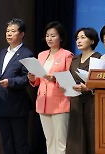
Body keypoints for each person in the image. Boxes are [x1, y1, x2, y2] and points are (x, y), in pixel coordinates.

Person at [27, 21, 73, 154]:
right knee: (49, 140)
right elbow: (38, 80)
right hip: (43, 101)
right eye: (47, 35)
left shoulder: (67, 55)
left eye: (53, 35)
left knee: (60, 142)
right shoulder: (41, 55)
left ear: (61, 38)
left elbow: (69, 80)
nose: (49, 38)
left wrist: (55, 79)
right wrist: (33, 79)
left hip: (60, 101)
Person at [0, 18, 33, 154]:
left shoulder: (27, 54)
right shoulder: (3, 52)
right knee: (6, 142)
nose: (9, 34)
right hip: (1, 103)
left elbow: (27, 79)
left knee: (20, 143)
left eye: (13, 31)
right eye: (7, 31)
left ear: (21, 34)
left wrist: (11, 82)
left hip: (17, 106)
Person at [66, 27, 101, 154]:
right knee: (76, 136)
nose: (79, 41)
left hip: (91, 101)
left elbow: (100, 82)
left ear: (92, 41)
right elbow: (70, 78)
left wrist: (88, 87)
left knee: (91, 134)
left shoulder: (98, 58)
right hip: (76, 101)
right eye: (77, 38)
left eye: (83, 37)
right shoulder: (74, 59)